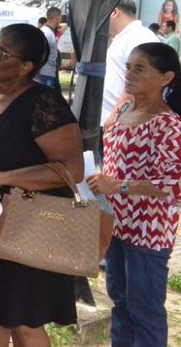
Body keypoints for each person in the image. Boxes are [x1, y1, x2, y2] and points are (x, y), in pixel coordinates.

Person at [0, 23, 84, 347]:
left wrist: (4, 177)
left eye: (1, 52)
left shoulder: (43, 103)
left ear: (26, 67)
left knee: (24, 322)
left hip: (28, 225)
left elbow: (72, 170)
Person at [87, 42, 181, 347]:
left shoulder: (168, 125)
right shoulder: (125, 108)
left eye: (139, 68)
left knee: (145, 311)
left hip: (148, 232)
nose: (129, 74)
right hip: (116, 225)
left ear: (166, 77)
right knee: (121, 303)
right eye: (128, 67)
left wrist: (117, 186)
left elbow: (171, 185)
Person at [102, 0, 159, 127]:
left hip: (120, 121)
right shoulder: (122, 37)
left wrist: (114, 115)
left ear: (115, 12)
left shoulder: (139, 37)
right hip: (112, 118)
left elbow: (140, 82)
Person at [34, 7, 61, 89]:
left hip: (49, 72)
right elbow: (39, 51)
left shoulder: (49, 32)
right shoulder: (46, 33)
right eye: (60, 17)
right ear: (56, 18)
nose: (61, 19)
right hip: (44, 73)